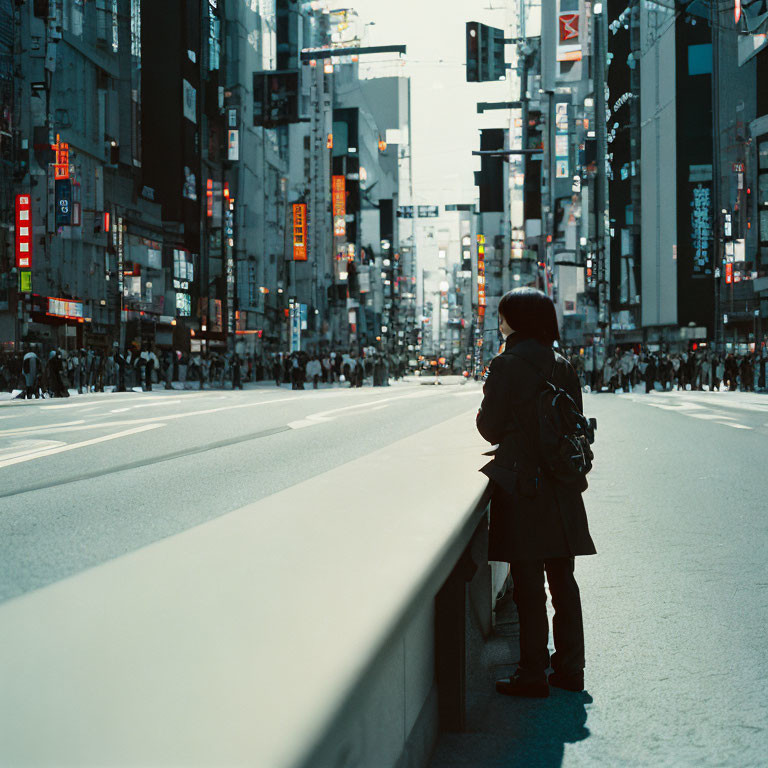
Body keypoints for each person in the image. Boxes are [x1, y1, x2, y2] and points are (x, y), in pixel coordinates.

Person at [476, 287, 596, 697]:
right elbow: (575, 423)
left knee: (528, 585)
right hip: (562, 485)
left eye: (502, 313)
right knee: (563, 581)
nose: (498, 319)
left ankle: (531, 673)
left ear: (515, 320)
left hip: (524, 486)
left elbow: (489, 428)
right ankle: (570, 669)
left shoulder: (504, 364)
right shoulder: (563, 364)